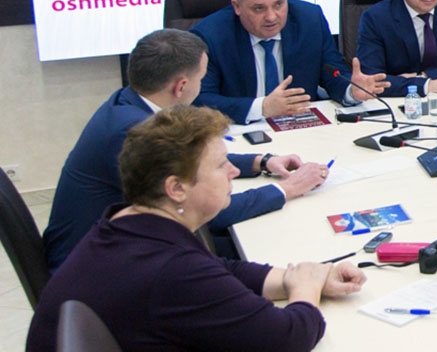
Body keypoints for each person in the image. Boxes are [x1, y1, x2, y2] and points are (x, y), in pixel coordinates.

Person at [26, 106, 366, 352]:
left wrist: (299, 276)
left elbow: (220, 270)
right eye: (220, 165)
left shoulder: (127, 222)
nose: (234, 171)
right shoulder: (170, 271)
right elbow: (287, 338)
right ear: (176, 188)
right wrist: (306, 290)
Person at [43, 30, 328, 270]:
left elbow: (189, 158)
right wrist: (286, 189)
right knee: (271, 250)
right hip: (97, 268)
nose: (201, 85)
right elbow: (206, 212)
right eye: (201, 79)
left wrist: (260, 161)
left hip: (118, 246)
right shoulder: (132, 131)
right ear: (181, 86)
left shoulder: (127, 101)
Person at [193, 0, 388, 124]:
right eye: (259, 8)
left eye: (279, 4)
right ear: (237, 7)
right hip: (241, 132)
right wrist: (262, 107)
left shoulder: (309, 19)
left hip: (302, 127)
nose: (271, 17)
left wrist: (351, 91)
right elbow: (200, 100)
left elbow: (332, 73)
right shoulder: (210, 36)